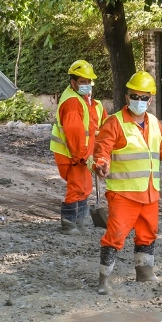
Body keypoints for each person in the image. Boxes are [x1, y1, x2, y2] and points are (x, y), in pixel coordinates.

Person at [92, 71, 162, 295]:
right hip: (124, 194)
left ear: (151, 99)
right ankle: (103, 280)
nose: (140, 100)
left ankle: (144, 273)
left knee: (148, 232)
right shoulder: (114, 123)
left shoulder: (154, 123)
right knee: (115, 235)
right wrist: (101, 164)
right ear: (127, 97)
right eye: (135, 96)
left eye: (145, 97)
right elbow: (102, 150)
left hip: (149, 193)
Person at [50, 59, 107, 235]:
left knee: (84, 187)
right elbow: (74, 135)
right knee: (77, 188)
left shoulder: (88, 102)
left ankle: (79, 222)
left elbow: (100, 129)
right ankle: (69, 224)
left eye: (89, 82)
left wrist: (97, 157)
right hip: (73, 155)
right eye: (83, 82)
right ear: (73, 82)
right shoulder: (73, 103)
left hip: (82, 154)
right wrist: (84, 158)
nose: (87, 85)